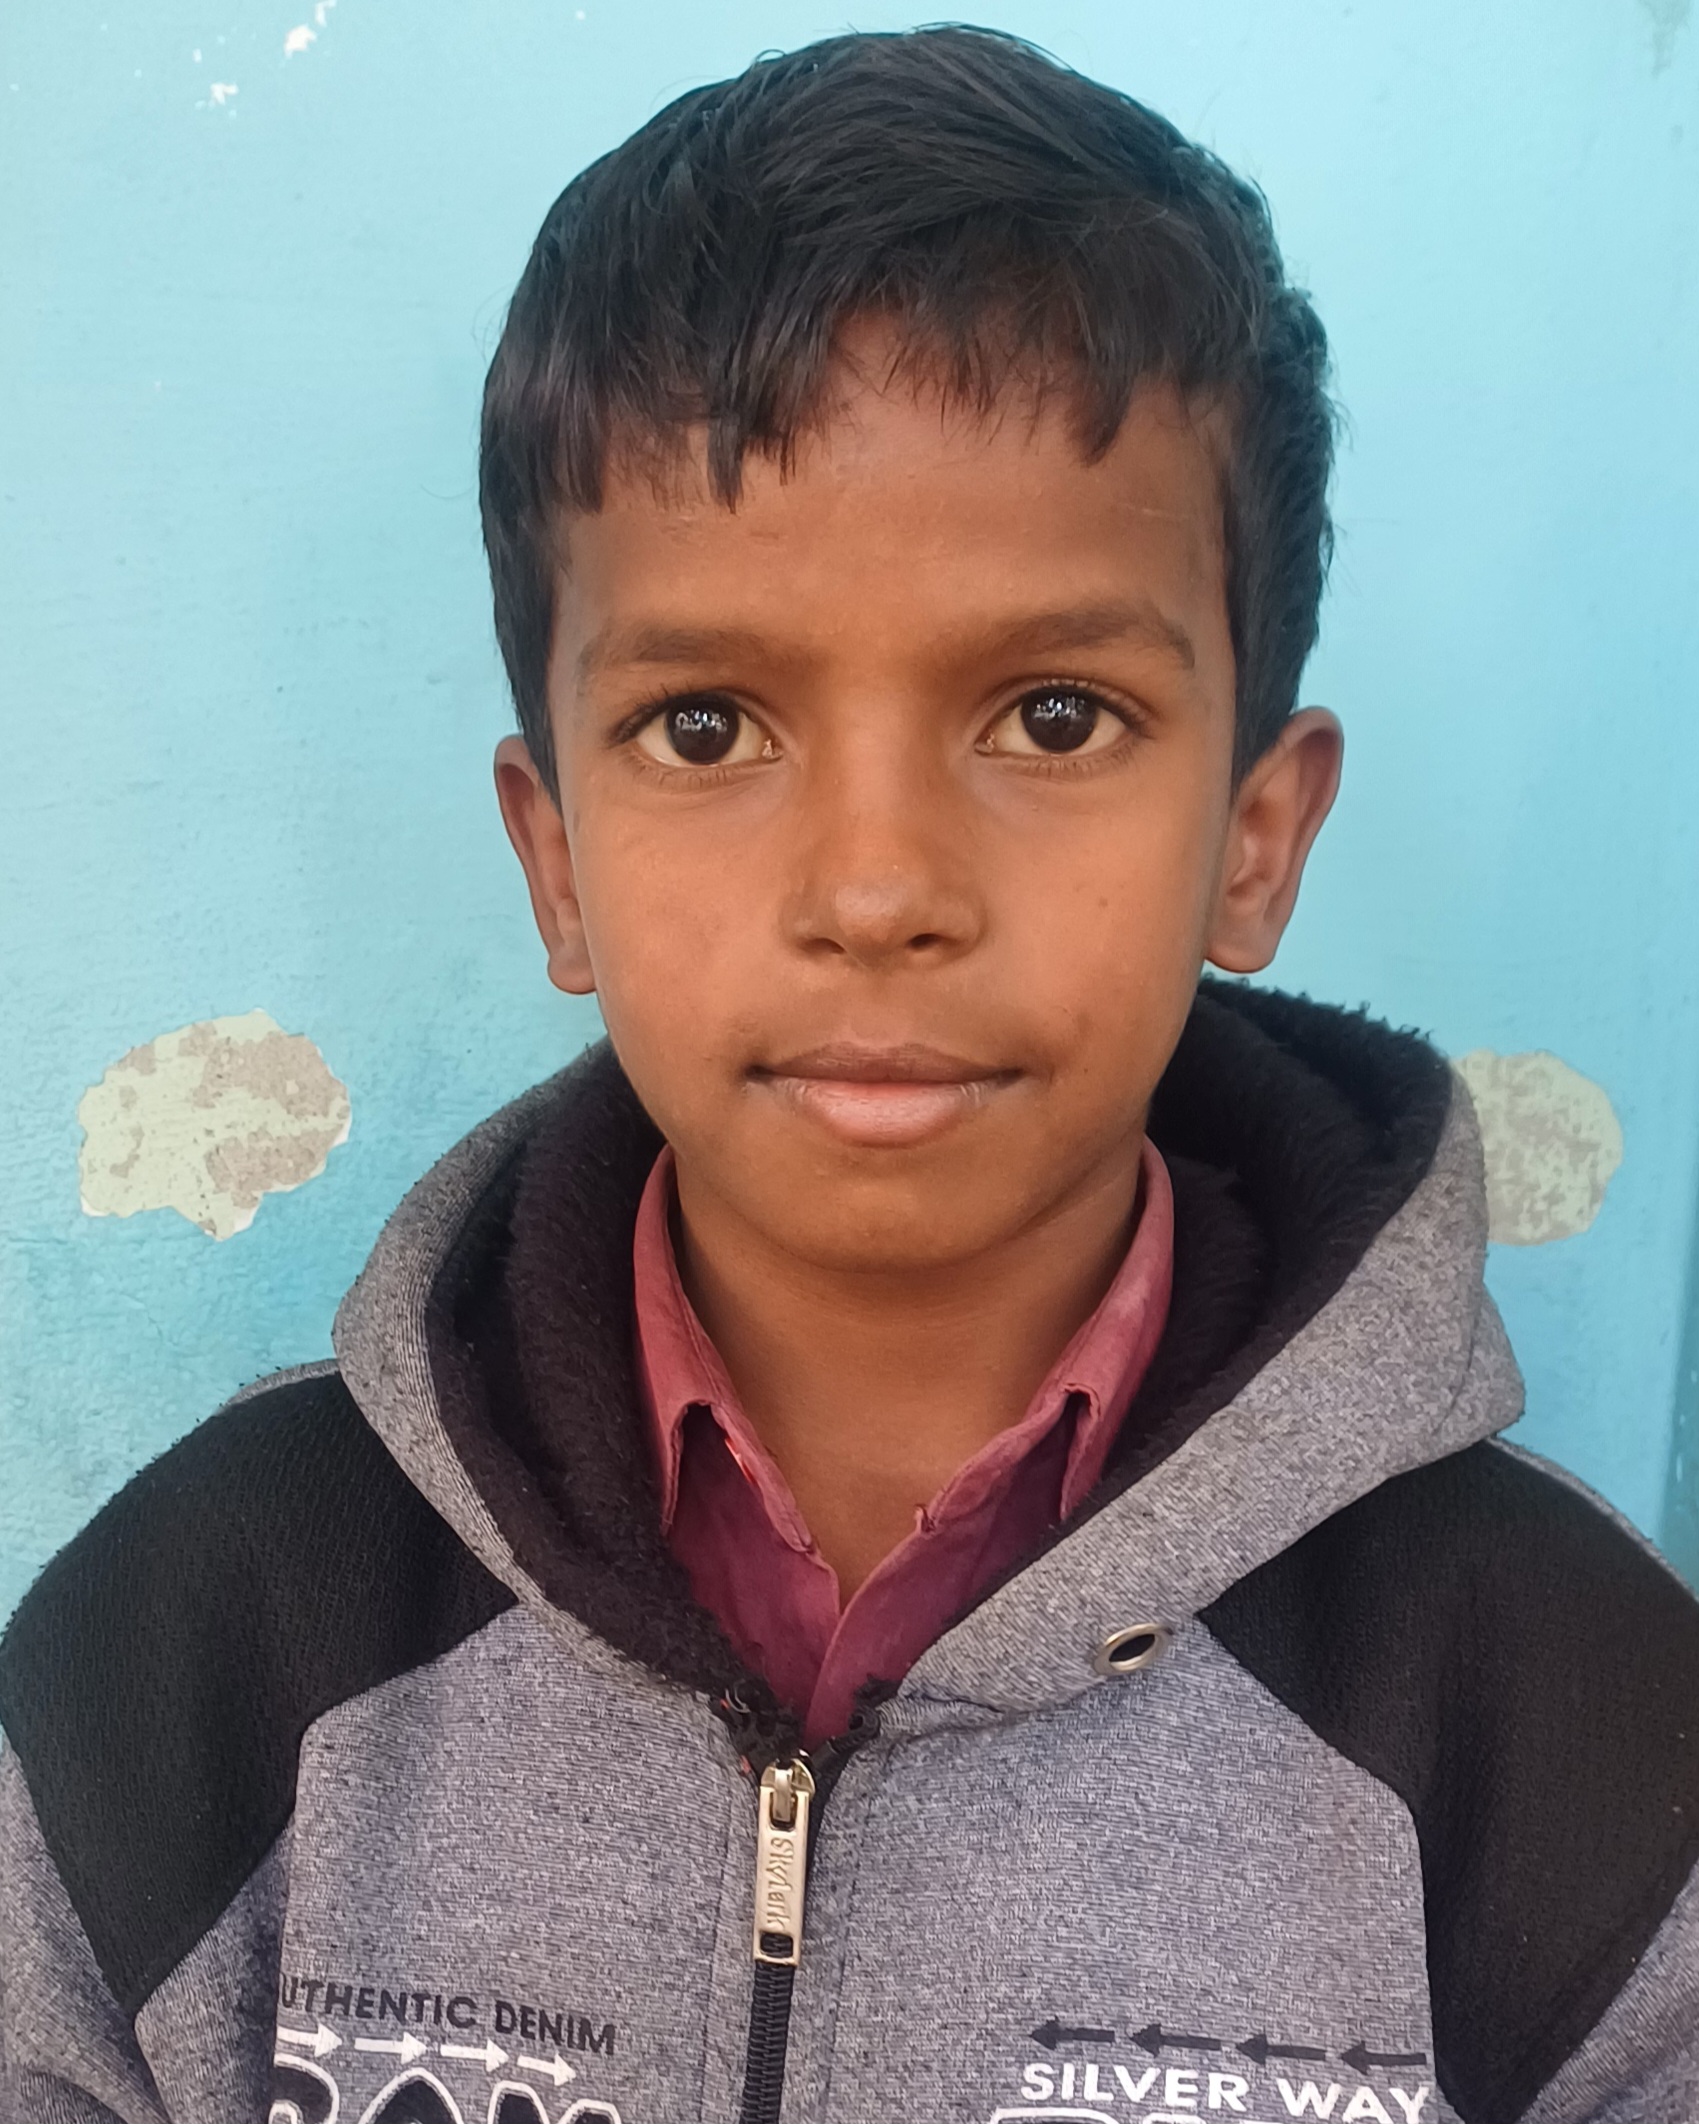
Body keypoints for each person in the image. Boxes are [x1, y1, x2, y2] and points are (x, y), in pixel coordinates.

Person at [3, 26, 1696, 2124]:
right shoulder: (188, 1658)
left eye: (1054, 715)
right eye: (707, 727)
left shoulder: (1581, 1737)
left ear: (1254, 841)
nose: (877, 888)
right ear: (556, 863)